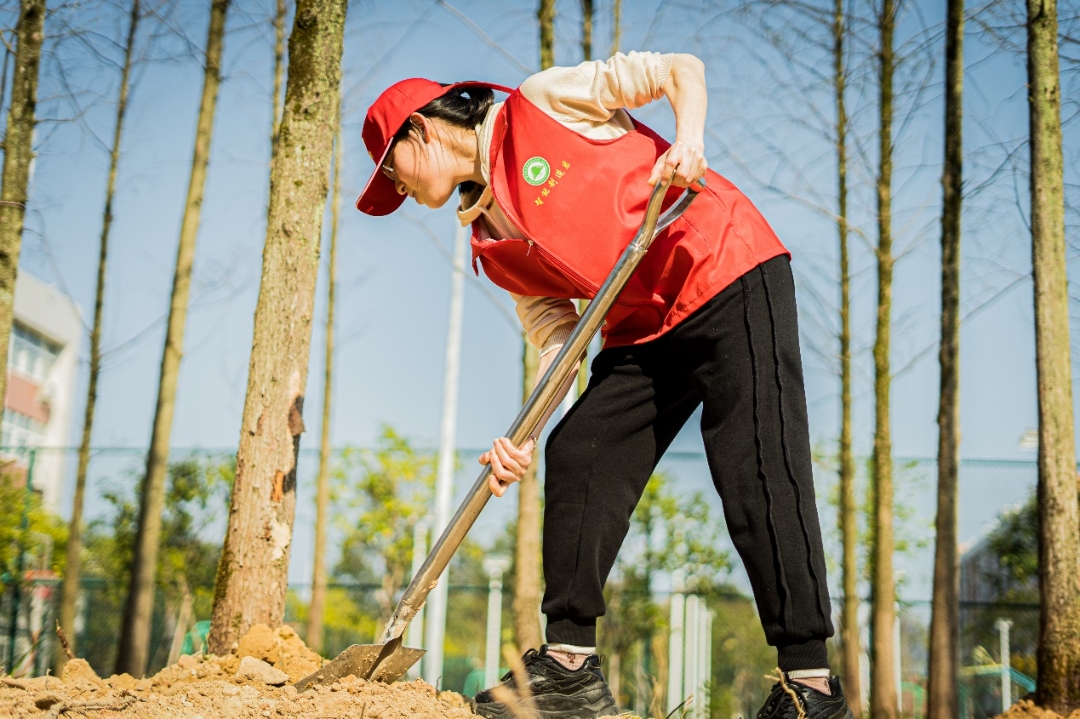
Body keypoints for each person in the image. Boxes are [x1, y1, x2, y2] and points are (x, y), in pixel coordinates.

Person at [356, 51, 854, 719]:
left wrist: (689, 139)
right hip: (643, 329)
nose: (399, 189)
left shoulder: (543, 101)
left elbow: (682, 68)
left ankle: (810, 687)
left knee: (758, 465)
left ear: (421, 129)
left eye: (393, 169)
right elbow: (559, 339)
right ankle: (568, 671)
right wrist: (522, 434)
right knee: (580, 449)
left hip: (726, 269)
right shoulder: (487, 233)